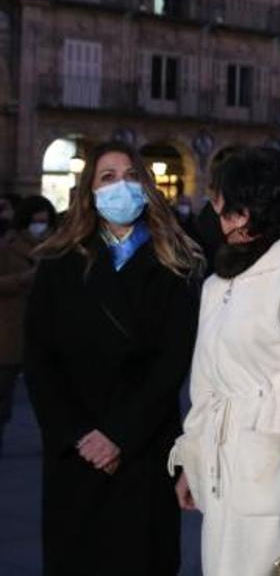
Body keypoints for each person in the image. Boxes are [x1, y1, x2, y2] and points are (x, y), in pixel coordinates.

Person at [24, 141, 202, 575]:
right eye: (107, 177)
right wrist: (79, 434)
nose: (120, 185)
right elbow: (39, 359)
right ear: (89, 193)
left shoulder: (173, 263)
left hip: (141, 447)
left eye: (130, 175)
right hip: (77, 451)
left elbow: (172, 363)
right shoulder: (58, 262)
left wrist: (119, 434)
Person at [168, 147, 280, 576]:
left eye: (233, 206)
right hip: (222, 470)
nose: (223, 217)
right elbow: (205, 381)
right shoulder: (219, 281)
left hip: (278, 471)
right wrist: (192, 460)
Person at [0, 195, 57, 456]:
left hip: (47, 332)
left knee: (50, 395)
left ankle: (54, 439)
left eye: (44, 221)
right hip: (12, 329)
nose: (40, 226)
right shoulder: (8, 247)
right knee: (4, 395)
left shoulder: (57, 247)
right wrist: (25, 279)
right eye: (36, 221)